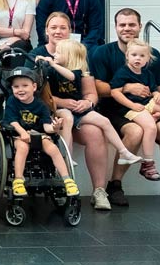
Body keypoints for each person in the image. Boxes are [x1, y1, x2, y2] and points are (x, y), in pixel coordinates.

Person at [31, 12, 111, 206]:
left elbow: (90, 92)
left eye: (63, 28)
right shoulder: (36, 55)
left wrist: (88, 102)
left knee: (95, 132)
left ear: (70, 31)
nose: (58, 31)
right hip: (48, 113)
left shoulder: (77, 53)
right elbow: (31, 93)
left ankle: (99, 191)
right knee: (63, 120)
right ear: (46, 31)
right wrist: (60, 102)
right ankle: (62, 184)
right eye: (54, 27)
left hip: (77, 112)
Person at [91, 8, 160, 207]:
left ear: (140, 26)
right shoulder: (103, 52)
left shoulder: (152, 54)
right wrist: (128, 87)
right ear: (115, 28)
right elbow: (96, 86)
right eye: (122, 25)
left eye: (132, 24)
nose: (127, 28)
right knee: (136, 132)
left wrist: (157, 97)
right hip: (113, 109)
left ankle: (149, 167)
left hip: (146, 107)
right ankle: (115, 185)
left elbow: (159, 85)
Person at [37, 39, 142, 167]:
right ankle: (66, 156)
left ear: (69, 56)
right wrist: (40, 62)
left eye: (58, 53)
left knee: (104, 121)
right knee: (67, 118)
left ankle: (124, 153)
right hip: (60, 109)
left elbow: (71, 77)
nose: (54, 55)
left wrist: (53, 64)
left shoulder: (76, 72)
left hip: (78, 109)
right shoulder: (51, 71)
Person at [3, 68, 80, 198]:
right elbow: (12, 121)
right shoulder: (12, 101)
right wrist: (23, 133)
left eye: (24, 86)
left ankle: (67, 180)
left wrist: (55, 128)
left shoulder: (41, 105)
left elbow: (46, 127)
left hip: (38, 134)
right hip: (17, 134)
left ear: (34, 87)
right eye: (16, 87)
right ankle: (18, 180)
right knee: (22, 147)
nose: (20, 89)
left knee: (53, 148)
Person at [109, 38, 160, 181]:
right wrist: (132, 106)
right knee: (150, 127)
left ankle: (155, 115)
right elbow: (115, 92)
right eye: (134, 55)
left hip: (146, 103)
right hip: (130, 107)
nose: (138, 58)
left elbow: (153, 90)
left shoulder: (147, 74)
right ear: (127, 56)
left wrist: (156, 94)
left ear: (147, 59)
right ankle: (148, 163)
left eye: (142, 56)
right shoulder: (123, 72)